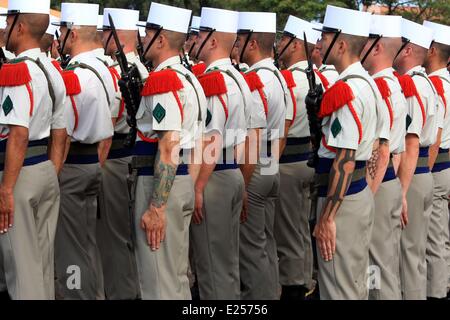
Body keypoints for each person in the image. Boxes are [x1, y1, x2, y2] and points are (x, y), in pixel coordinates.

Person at [134, 2, 203, 299]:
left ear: (161, 39)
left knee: (158, 281)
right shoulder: (190, 78)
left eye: (148, 32)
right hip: (183, 180)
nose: (143, 39)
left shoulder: (164, 80)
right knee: (175, 278)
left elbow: (168, 145)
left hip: (162, 184)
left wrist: (157, 207)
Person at [0, 0, 65, 299]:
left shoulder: (17, 71)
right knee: (40, 267)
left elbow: (18, 134)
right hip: (44, 171)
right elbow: (60, 132)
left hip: (19, 174)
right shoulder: (53, 70)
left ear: (20, 26)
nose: (5, 28)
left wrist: (6, 189)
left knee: (22, 272)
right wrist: (50, 172)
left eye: (9, 21)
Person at [313, 5, 379, 299]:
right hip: (357, 194)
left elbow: (344, 160)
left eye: (324, 37)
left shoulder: (347, 90)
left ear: (340, 44)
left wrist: (328, 217)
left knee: (338, 289)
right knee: (352, 284)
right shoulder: (368, 84)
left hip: (342, 200)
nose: (319, 43)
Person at [53, 2, 114, 300]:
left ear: (73, 34)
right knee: (88, 244)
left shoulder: (76, 74)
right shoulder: (106, 70)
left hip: (74, 166)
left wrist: (54, 175)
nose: (59, 36)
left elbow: (63, 134)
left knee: (70, 250)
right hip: (93, 163)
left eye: (62, 30)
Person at [190, 7, 248, 300]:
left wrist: (198, 187)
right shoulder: (237, 77)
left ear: (212, 41)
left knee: (212, 267)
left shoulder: (214, 80)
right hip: (231, 171)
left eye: (200, 34)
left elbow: (211, 139)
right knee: (226, 264)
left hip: (213, 177)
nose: (195, 39)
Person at [235, 11, 293, 300]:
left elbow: (253, 135)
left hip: (255, 165)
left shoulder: (256, 79)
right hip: (271, 162)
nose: (235, 43)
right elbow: (284, 127)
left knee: (251, 248)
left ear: (252, 42)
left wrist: (243, 185)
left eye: (240, 39)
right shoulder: (279, 78)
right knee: (266, 241)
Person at [97, 7, 148, 300]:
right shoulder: (140, 69)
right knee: (126, 234)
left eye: (106, 33)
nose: (103, 38)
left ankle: (122, 293)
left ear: (118, 38)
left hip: (115, 158)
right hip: (130, 158)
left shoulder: (122, 72)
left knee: (113, 235)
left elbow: (107, 125)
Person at [273, 15, 322, 300]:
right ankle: (305, 279)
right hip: (309, 158)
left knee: (288, 231)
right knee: (302, 227)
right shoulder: (317, 77)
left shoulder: (290, 79)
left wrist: (269, 169)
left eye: (284, 40)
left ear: (294, 45)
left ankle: (294, 286)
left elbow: (284, 125)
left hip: (288, 161)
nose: (279, 44)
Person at [360, 14, 407, 300]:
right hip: (387, 180)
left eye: (364, 41)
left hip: (376, 182)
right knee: (382, 265)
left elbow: (384, 148)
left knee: (376, 268)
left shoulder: (379, 87)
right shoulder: (393, 85)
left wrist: (368, 194)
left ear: (376, 47)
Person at [393, 19, 437, 300]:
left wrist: (402, 191)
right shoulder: (426, 83)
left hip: (410, 174)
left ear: (407, 49)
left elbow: (411, 143)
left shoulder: (412, 86)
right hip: (421, 173)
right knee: (415, 255)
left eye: (396, 44)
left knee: (407, 257)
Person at [422, 20, 450, 300]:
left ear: (431, 50)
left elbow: (436, 135)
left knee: (432, 240)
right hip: (444, 165)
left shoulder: (436, 86)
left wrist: (424, 176)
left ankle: (437, 293)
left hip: (434, 165)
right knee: (439, 236)